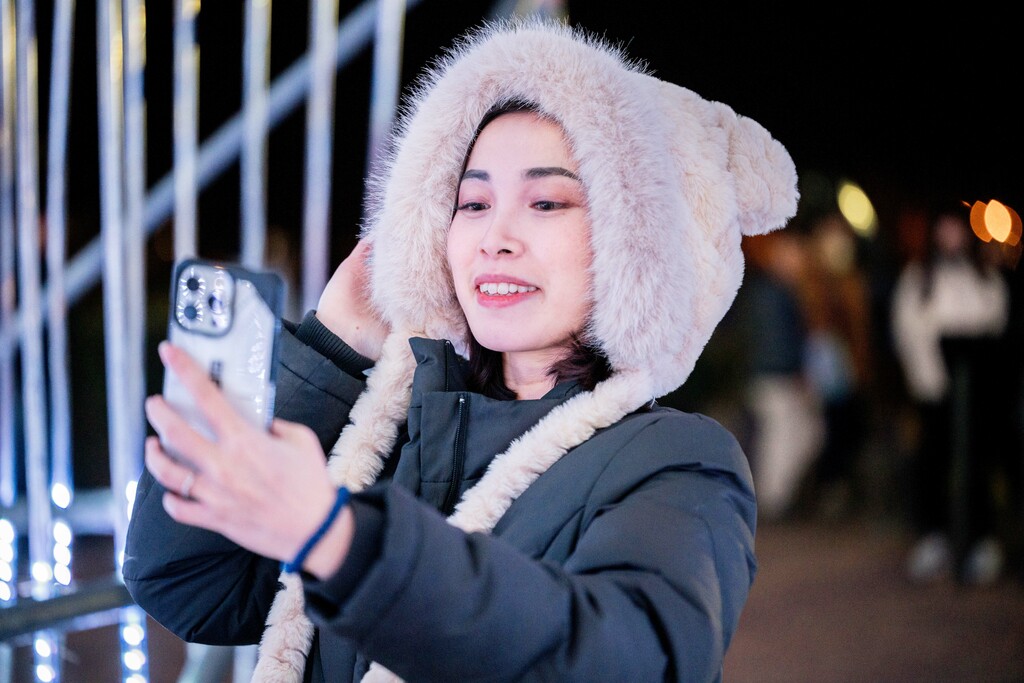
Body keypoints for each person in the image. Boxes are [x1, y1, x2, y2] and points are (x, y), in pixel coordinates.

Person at [123, 18, 798, 682]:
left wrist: (341, 542)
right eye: (472, 203)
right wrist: (333, 345)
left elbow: (625, 657)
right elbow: (186, 582)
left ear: (638, 244)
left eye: (546, 202)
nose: (494, 237)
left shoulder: (678, 460)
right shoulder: (389, 439)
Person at [890, 206, 1010, 585]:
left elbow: (994, 324)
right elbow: (908, 333)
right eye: (944, 229)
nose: (951, 237)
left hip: (975, 395)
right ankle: (935, 537)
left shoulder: (985, 277)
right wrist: (930, 379)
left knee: (977, 464)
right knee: (932, 462)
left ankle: (981, 540)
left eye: (957, 229)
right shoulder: (918, 278)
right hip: (934, 393)